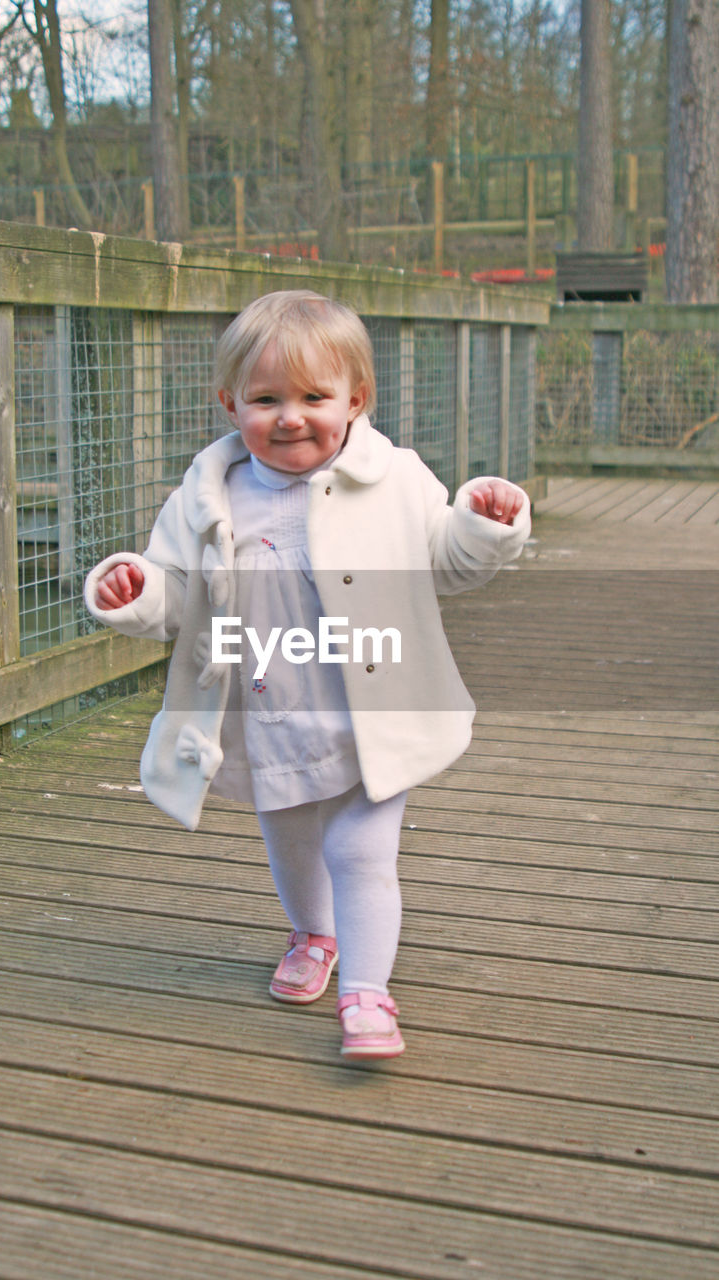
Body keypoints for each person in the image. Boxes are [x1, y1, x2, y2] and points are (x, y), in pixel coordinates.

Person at [85, 289, 530, 1061]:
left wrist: (481, 525)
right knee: (289, 839)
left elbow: (447, 565)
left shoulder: (393, 477)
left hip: (370, 712)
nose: (289, 416)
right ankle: (312, 935)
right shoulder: (206, 496)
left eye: (313, 397)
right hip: (266, 713)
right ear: (229, 404)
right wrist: (135, 591)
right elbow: (178, 595)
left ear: (355, 399)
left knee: (360, 851)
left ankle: (366, 992)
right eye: (265, 399)